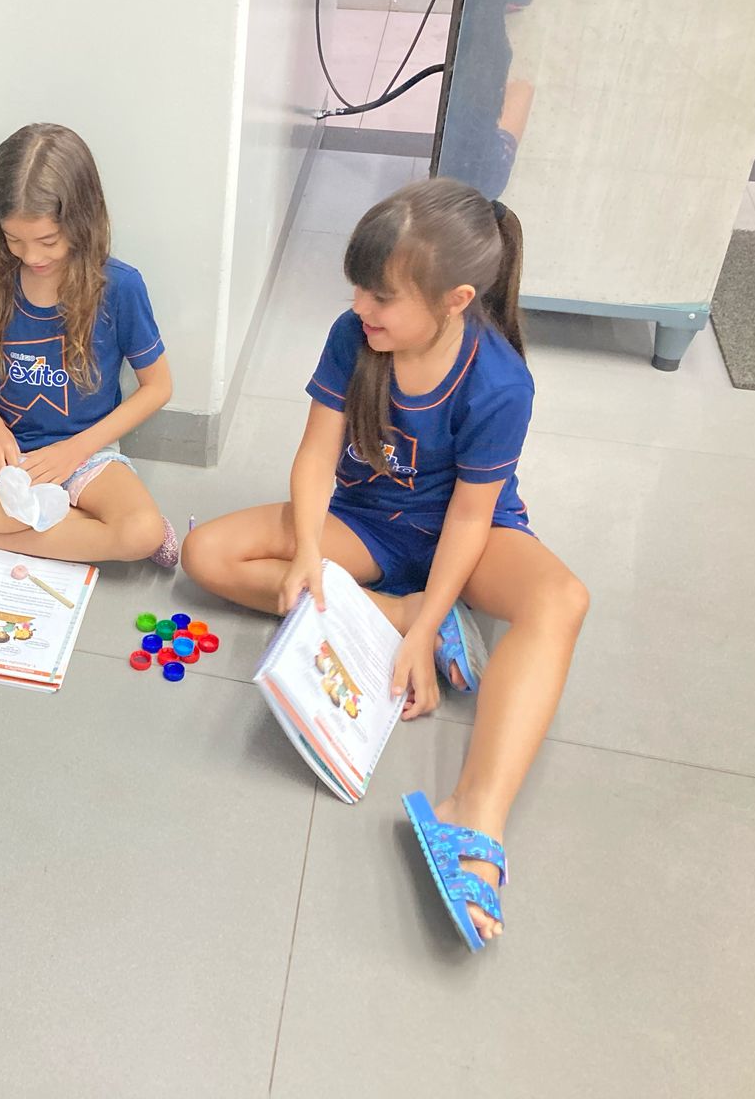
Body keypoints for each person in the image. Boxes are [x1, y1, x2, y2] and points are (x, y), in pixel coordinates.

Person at [182, 177, 588, 950]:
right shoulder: (355, 335)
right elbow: (314, 457)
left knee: (562, 600)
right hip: (366, 524)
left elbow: (470, 517)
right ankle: (399, 612)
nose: (361, 307)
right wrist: (308, 553)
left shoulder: (501, 382)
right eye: (359, 290)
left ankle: (475, 815)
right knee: (207, 551)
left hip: (467, 536)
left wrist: (427, 622)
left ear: (455, 300)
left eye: (382, 298)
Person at [0, 123, 178, 566]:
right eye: (13, 240)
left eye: (48, 241)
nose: (32, 256)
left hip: (87, 452)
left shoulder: (120, 286)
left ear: (82, 220)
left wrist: (74, 451)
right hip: (4, 449)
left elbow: (158, 387)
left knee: (142, 532)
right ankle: (72, 527)